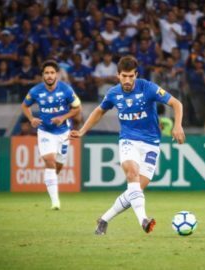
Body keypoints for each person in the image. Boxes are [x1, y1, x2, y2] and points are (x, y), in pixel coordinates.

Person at [70, 55, 185, 235]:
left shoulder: (148, 87)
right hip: (128, 140)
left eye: (131, 76)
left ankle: (104, 220)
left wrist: (177, 125)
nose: (127, 80)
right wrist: (83, 130)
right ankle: (144, 220)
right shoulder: (113, 93)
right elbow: (99, 111)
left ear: (136, 75)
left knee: (135, 190)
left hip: (151, 144)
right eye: (124, 76)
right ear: (118, 75)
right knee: (132, 173)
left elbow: (176, 104)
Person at [20, 59, 82, 210]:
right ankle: (55, 202)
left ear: (57, 75)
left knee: (58, 166)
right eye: (46, 73)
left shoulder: (66, 90)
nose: (49, 75)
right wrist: (31, 119)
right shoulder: (35, 91)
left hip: (63, 133)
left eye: (52, 73)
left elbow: (77, 108)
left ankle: (50, 180)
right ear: (42, 76)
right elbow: (24, 105)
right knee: (49, 160)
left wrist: (62, 117)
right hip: (45, 131)